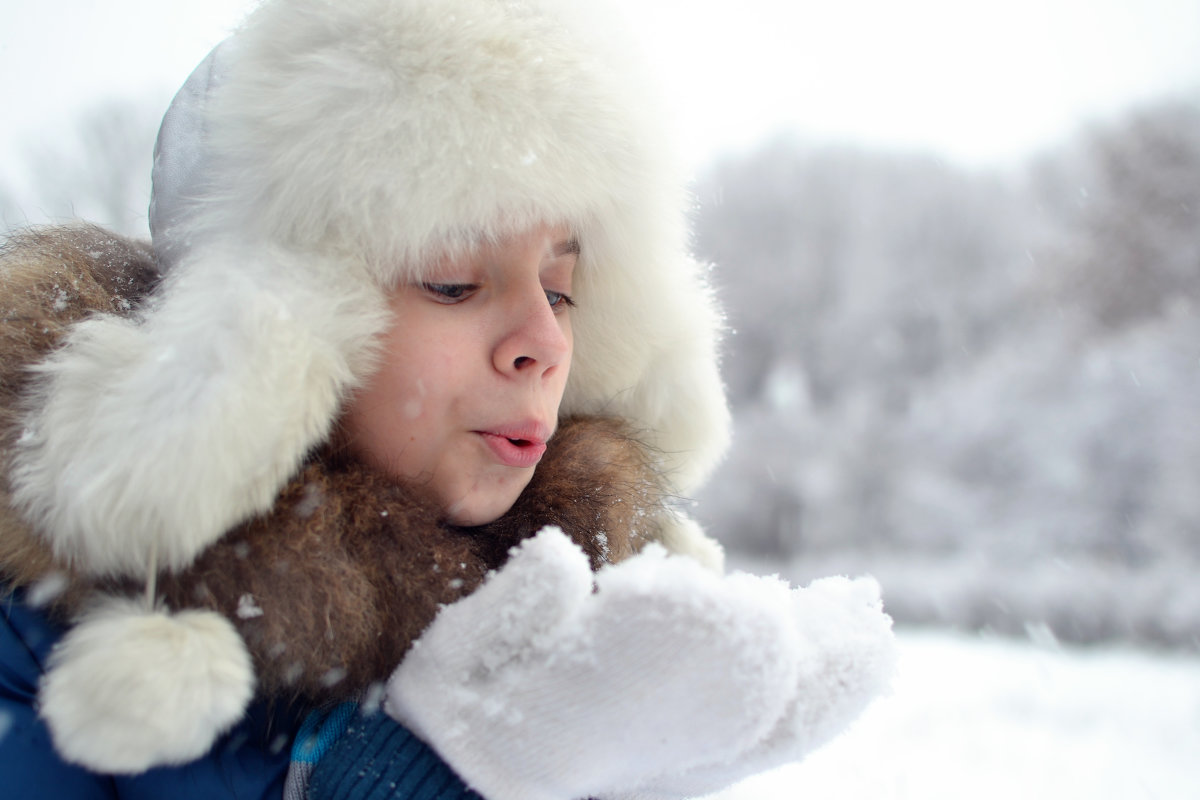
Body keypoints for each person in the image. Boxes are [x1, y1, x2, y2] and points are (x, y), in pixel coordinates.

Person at [0, 0, 896, 798]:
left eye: (562, 288)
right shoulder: (35, 639)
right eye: (455, 282)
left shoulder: (594, 630)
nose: (543, 342)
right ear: (263, 331)